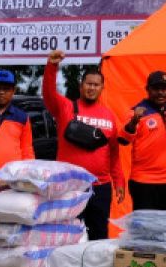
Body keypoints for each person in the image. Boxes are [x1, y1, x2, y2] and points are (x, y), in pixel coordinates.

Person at [42, 51, 125, 240]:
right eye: (88, 84)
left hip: (100, 187)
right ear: (81, 86)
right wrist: (52, 67)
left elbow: (114, 154)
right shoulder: (66, 108)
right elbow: (48, 94)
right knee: (67, 236)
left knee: (99, 235)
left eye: (96, 85)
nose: (92, 88)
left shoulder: (109, 115)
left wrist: (119, 181)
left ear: (102, 88)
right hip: (70, 186)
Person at [120, 71, 166, 212]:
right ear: (147, 89)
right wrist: (133, 122)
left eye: (164, 89)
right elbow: (123, 140)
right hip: (143, 182)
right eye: (156, 89)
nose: (160, 93)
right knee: (145, 231)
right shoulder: (137, 112)